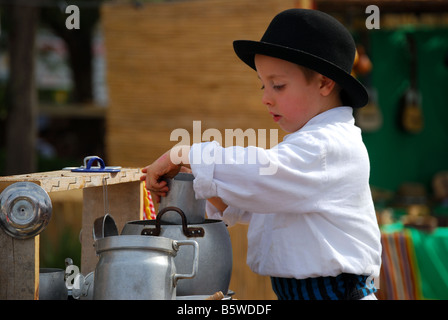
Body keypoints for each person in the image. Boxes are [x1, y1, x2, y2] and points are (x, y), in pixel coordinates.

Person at [141, 8, 382, 300]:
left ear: (323, 83)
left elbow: (261, 173)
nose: (266, 98)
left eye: (278, 85)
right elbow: (256, 200)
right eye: (263, 85)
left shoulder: (329, 146)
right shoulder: (307, 146)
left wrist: (184, 154)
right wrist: (197, 179)